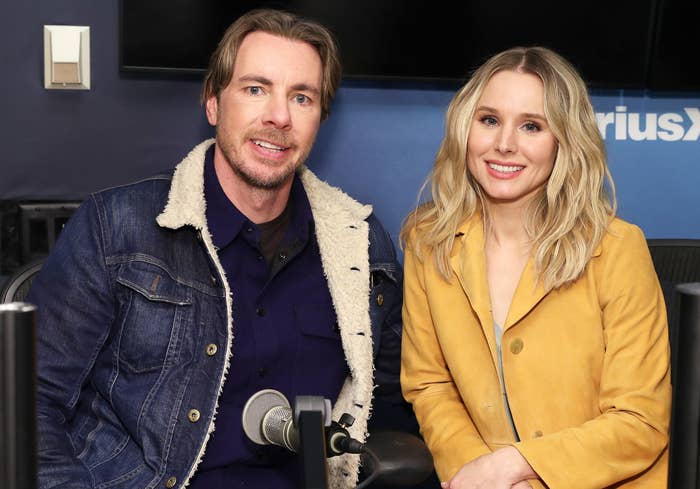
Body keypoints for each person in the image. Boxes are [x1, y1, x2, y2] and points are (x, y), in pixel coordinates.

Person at [28, 8, 403, 489]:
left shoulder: (363, 249)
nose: (279, 116)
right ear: (212, 104)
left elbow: (389, 406)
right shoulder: (116, 227)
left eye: (302, 97)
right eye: (255, 89)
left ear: (319, 120)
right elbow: (27, 405)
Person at [400, 46, 670, 489]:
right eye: (489, 120)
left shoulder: (618, 249)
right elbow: (430, 385)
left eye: (531, 126)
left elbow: (640, 420)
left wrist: (515, 467)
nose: (504, 143)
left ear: (563, 140)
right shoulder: (428, 241)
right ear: (465, 127)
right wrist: (478, 472)